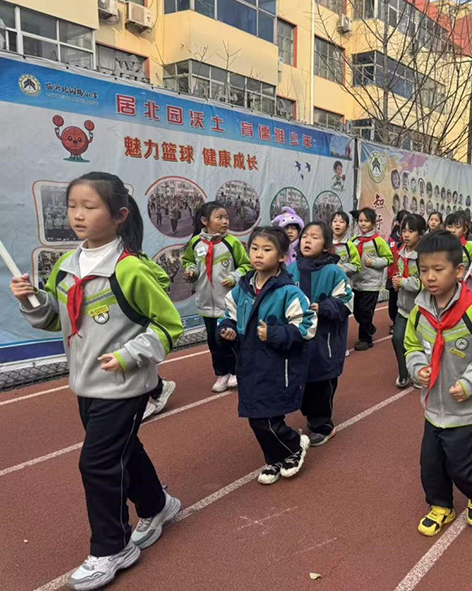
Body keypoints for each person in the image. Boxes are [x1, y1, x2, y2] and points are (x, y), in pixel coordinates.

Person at [12, 172, 184, 590]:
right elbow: (56, 319)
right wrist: (32, 300)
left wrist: (128, 356)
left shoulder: (130, 270)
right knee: (124, 450)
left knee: (97, 463)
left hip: (125, 385)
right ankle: (157, 505)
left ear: (120, 215)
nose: (77, 215)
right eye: (72, 206)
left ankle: (112, 546)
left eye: (89, 207)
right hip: (86, 383)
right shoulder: (67, 266)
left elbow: (169, 325)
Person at [404, 230, 472, 536]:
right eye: (424, 270)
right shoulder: (420, 311)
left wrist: (470, 383)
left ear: (459, 271)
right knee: (431, 464)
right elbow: (412, 346)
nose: (430, 277)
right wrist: (418, 368)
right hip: (434, 406)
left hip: (467, 409)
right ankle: (441, 505)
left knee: (462, 464)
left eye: (438, 269)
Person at [218, 227, 317, 485]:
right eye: (254, 248)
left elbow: (307, 326)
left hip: (278, 365)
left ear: (282, 256)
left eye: (266, 249)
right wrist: (226, 328)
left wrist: (274, 333)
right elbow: (228, 314)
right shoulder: (242, 289)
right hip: (249, 363)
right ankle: (275, 457)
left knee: (268, 417)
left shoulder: (289, 292)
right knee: (256, 418)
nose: (258, 254)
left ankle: (293, 446)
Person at [287, 222, 353, 447]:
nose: (307, 240)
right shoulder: (291, 270)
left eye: (315, 237)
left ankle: (323, 425)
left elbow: (346, 301)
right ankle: (312, 415)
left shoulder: (333, 272)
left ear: (326, 245)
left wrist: (323, 307)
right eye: (305, 236)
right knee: (302, 382)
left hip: (325, 342)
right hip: (299, 341)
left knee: (322, 384)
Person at [183, 202, 251, 393]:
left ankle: (235, 371)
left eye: (226, 217)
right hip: (205, 303)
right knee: (213, 342)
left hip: (228, 304)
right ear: (205, 221)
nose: (225, 221)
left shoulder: (232, 243)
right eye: (219, 218)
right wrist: (191, 271)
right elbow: (188, 261)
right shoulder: (195, 243)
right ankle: (221, 373)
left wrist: (234, 277)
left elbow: (246, 265)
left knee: (228, 339)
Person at [351, 208, 393, 351]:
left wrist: (374, 262)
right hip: (356, 283)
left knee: (365, 311)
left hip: (371, 284)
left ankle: (365, 339)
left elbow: (389, 258)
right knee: (357, 312)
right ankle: (369, 327)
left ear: (373, 223)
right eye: (360, 221)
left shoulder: (378, 241)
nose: (363, 224)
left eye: (366, 221)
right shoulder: (354, 241)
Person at [391, 214, 426, 388]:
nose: (406, 235)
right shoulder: (401, 252)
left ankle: (420, 374)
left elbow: (424, 282)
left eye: (411, 231)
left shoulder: (423, 255)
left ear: (420, 233)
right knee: (397, 339)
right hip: (403, 308)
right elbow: (399, 273)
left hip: (420, 310)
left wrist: (404, 282)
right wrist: (396, 281)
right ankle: (404, 374)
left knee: (420, 344)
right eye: (403, 231)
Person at [445, 212, 472, 296]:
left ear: (464, 230)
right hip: (445, 290)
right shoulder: (440, 246)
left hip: (466, 290)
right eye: (449, 227)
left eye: (457, 227)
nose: (453, 230)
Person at [386, 210, 411, 331]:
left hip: (405, 277)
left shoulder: (411, 241)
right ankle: (395, 321)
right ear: (398, 223)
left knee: (404, 301)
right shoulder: (392, 239)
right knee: (393, 302)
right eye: (403, 222)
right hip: (392, 276)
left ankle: (402, 324)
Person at [331, 210, 362, 278]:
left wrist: (341, 267)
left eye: (341, 222)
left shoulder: (350, 245)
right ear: (331, 225)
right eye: (335, 221)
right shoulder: (326, 245)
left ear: (347, 227)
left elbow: (357, 266)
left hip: (344, 282)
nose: (337, 224)